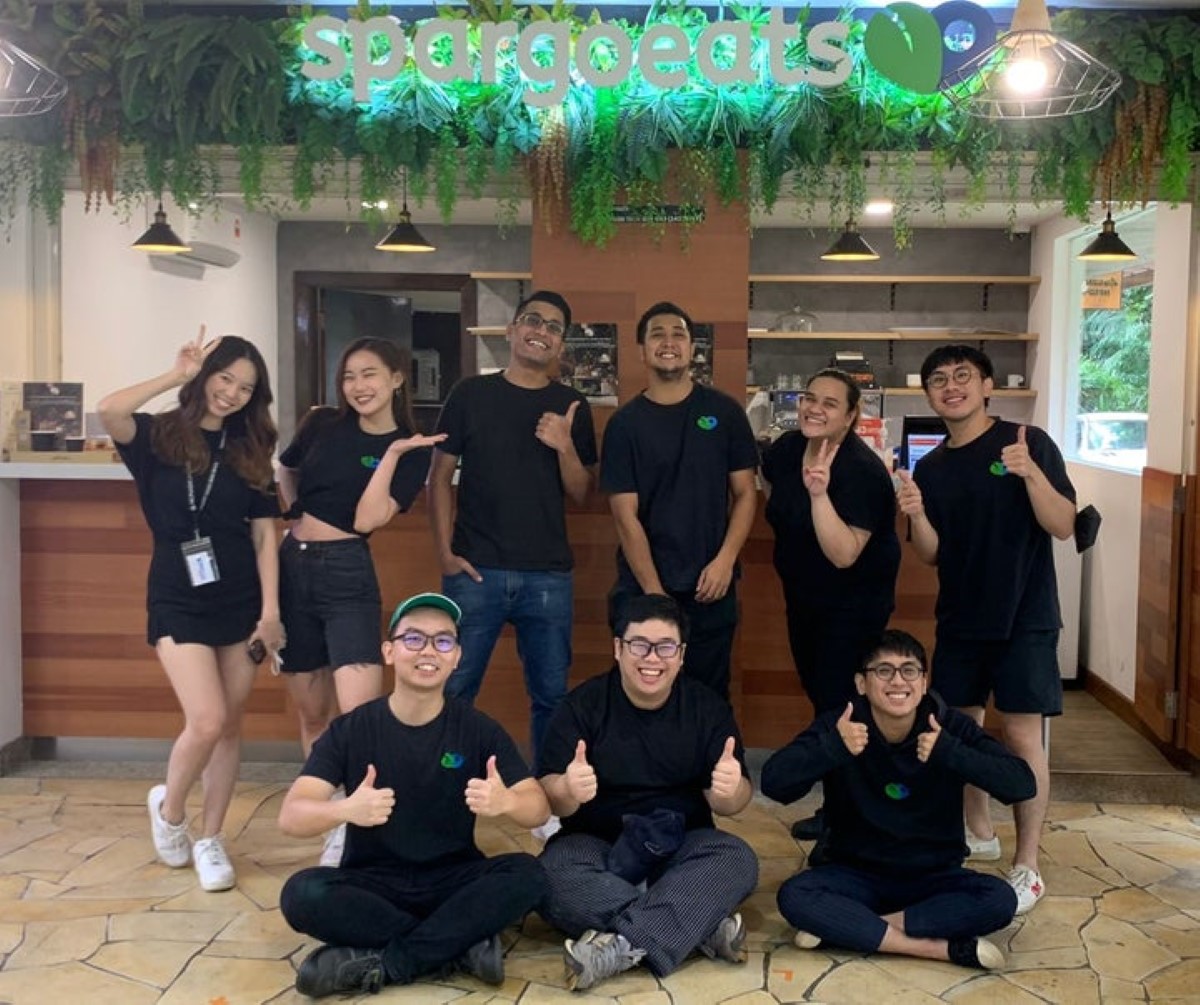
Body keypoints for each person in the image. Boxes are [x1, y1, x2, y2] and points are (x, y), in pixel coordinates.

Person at [277, 592, 550, 999]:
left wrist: (507, 803)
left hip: (454, 880)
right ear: (389, 651)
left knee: (530, 874)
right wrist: (345, 809)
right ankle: (458, 944)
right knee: (301, 894)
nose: (428, 651)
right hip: (374, 883)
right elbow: (291, 816)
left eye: (443, 641)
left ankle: (391, 962)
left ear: (456, 656)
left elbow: (538, 806)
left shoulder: (477, 729)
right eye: (413, 639)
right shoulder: (351, 730)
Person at [97, 328, 283, 893]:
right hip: (177, 595)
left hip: (241, 600)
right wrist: (174, 374)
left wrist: (271, 612)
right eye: (224, 378)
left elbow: (264, 537)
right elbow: (108, 408)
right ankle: (171, 813)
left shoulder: (251, 449)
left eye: (246, 388)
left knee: (229, 728)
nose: (231, 393)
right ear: (204, 375)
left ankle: (210, 837)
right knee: (205, 719)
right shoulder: (156, 436)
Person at [896, 344, 1076, 914]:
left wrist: (1029, 477)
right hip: (961, 619)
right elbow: (931, 555)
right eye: (939, 380)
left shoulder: (1027, 442)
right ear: (928, 394)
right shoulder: (933, 466)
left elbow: (1064, 524)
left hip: (1025, 617)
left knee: (1022, 740)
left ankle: (1028, 863)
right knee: (961, 731)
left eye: (963, 377)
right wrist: (917, 513)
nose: (951, 387)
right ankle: (978, 830)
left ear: (988, 385)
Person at [761, 629, 1036, 970]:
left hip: (933, 877)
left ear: (923, 683)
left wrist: (951, 753)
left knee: (1000, 900)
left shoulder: (948, 727)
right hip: (855, 875)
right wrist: (831, 747)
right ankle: (942, 949)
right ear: (862, 683)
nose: (897, 681)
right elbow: (775, 783)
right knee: (795, 896)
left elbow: (1021, 784)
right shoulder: (842, 724)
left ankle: (854, 928)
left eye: (909, 670)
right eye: (883, 670)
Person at [276, 337, 444, 865]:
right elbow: (286, 469)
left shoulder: (410, 449)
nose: (358, 387)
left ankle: (359, 821)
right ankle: (332, 814)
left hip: (348, 572)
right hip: (291, 570)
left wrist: (391, 454)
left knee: (361, 714)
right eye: (349, 376)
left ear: (397, 378)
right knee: (312, 712)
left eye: (369, 374)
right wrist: (293, 518)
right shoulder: (322, 423)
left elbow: (370, 519)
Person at [537, 594, 759, 992]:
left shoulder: (706, 708)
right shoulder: (581, 706)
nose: (652, 658)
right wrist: (567, 789)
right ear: (618, 648)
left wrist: (730, 790)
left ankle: (623, 944)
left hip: (682, 847)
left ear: (682, 654)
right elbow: (550, 798)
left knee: (736, 858)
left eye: (665, 647)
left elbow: (733, 802)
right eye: (639, 644)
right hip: (597, 847)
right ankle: (698, 924)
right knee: (550, 874)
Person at [429, 290, 597, 771]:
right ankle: (448, 789)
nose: (540, 331)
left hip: (547, 576)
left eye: (552, 327)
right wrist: (444, 553)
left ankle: (544, 794)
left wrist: (564, 446)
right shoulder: (469, 394)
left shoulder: (570, 405)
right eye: (532, 320)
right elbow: (438, 477)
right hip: (473, 570)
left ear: (561, 344)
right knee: (455, 689)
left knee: (550, 696)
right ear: (511, 330)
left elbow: (583, 492)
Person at [761, 368, 900, 841]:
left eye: (829, 403)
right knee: (823, 698)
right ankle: (840, 807)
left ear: (852, 415)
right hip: (804, 599)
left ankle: (850, 814)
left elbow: (843, 554)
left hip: (853, 606)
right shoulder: (784, 450)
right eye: (808, 398)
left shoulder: (861, 470)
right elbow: (773, 497)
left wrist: (819, 495)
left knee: (844, 705)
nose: (814, 409)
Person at [600, 302, 758, 700]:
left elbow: (744, 495)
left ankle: (712, 766)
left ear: (692, 348)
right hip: (644, 586)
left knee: (708, 695)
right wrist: (654, 593)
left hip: (712, 586)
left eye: (679, 334)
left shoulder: (724, 412)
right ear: (642, 349)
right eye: (657, 333)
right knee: (644, 691)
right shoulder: (625, 424)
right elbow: (625, 516)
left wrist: (725, 561)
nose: (668, 342)